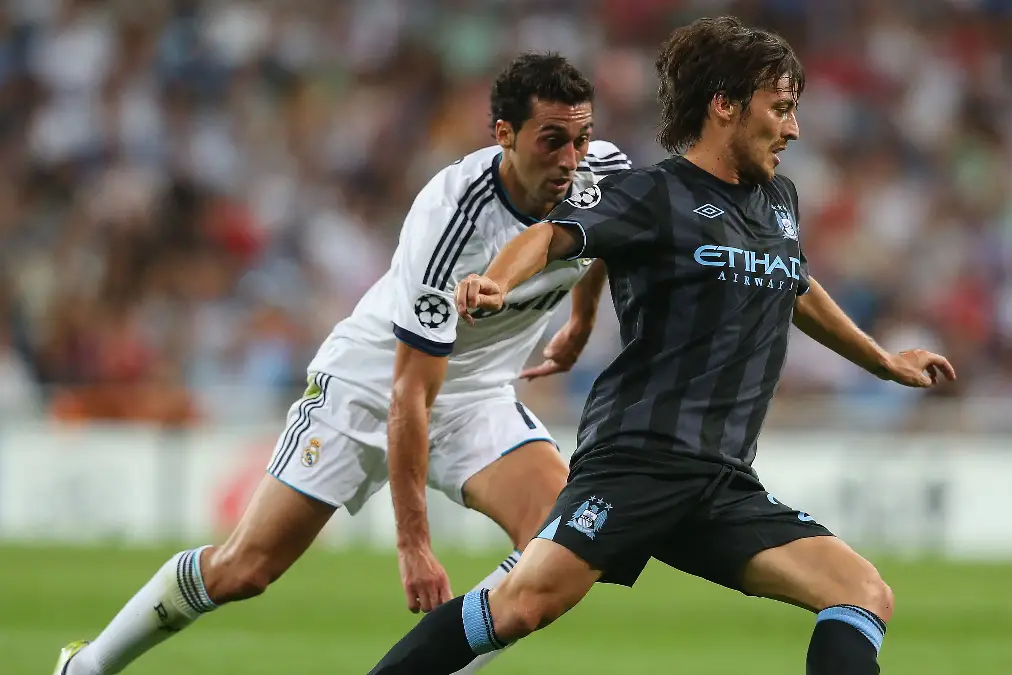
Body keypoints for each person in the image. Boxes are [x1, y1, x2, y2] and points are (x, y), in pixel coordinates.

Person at [366, 17, 956, 675]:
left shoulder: (778, 200)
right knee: (522, 603)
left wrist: (882, 360)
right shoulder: (652, 194)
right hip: (639, 460)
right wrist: (496, 281)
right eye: (781, 110)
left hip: (722, 478)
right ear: (725, 106)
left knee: (862, 591)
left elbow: (793, 281)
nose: (793, 129)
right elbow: (552, 237)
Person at [54, 53, 632, 675]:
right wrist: (413, 543)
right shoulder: (450, 222)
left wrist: (579, 321)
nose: (571, 159)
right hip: (370, 387)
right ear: (504, 135)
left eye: (581, 139)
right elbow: (408, 394)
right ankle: (85, 667)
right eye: (552, 141)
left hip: (476, 397)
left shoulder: (604, 174)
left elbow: (603, 238)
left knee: (560, 544)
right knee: (245, 568)